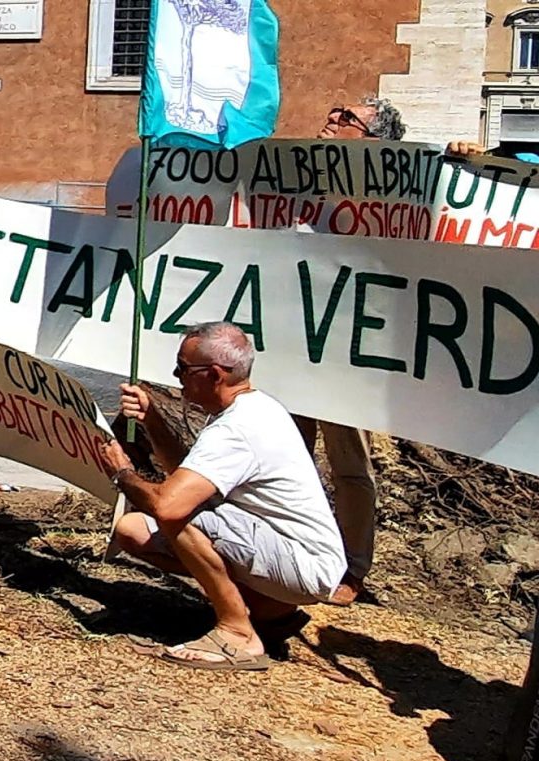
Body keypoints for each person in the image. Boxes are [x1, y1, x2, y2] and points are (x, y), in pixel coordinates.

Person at [100, 322, 347, 671]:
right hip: (291, 553)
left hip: (303, 564)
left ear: (215, 374)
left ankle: (237, 633)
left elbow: (169, 505)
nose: (177, 376)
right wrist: (151, 419)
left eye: (183, 369)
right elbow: (187, 478)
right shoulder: (252, 409)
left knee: (176, 514)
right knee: (134, 531)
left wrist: (122, 473)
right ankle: (268, 611)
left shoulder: (237, 429)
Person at [299, 96, 405, 607]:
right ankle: (293, 550)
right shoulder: (298, 181)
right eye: (334, 109)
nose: (331, 119)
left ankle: (352, 567)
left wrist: (464, 156)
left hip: (349, 348)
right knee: (288, 453)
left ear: (373, 139)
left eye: (345, 117)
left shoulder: (394, 194)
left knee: (348, 463)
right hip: (294, 339)